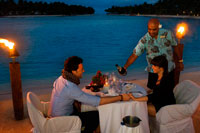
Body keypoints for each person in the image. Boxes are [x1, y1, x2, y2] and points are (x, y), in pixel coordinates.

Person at [48, 56, 131, 133]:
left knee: (86, 109)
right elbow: (97, 102)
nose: (83, 71)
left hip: (54, 116)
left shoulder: (61, 78)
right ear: (74, 71)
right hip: (62, 122)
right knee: (98, 116)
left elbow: (72, 96)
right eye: (81, 69)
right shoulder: (70, 87)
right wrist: (121, 97)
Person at [123, 18, 184, 86]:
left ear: (158, 27)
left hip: (169, 69)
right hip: (154, 72)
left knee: (169, 91)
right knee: (154, 93)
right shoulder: (144, 40)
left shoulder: (167, 34)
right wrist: (125, 67)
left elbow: (175, 46)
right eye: (149, 29)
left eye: (154, 29)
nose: (151, 32)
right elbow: (134, 55)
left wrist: (180, 61)